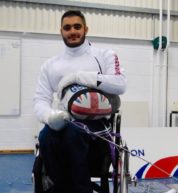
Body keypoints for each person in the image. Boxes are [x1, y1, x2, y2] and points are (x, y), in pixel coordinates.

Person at [33, 10, 126, 193]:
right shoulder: (51, 65)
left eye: (77, 26)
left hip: (97, 128)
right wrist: (50, 116)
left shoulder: (104, 55)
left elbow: (120, 84)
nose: (72, 31)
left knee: (72, 134)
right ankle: (63, 187)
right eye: (67, 28)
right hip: (64, 121)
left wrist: (80, 77)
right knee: (45, 136)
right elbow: (40, 100)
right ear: (61, 31)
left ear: (86, 29)